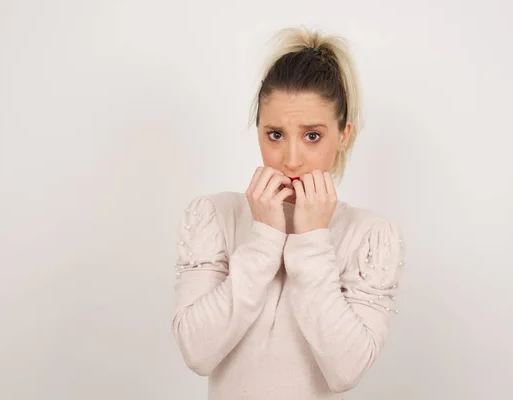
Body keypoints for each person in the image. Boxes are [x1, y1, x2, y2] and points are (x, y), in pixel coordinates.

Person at [171, 26, 407, 400]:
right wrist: (263, 238)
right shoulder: (215, 215)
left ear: (343, 135)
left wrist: (312, 241)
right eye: (275, 135)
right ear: (259, 132)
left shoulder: (370, 236)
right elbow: (197, 353)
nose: (292, 159)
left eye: (312, 136)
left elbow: (345, 371)